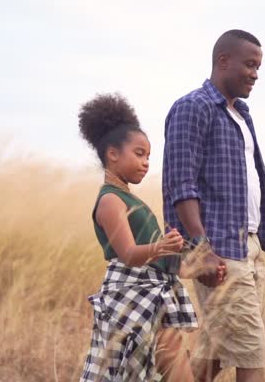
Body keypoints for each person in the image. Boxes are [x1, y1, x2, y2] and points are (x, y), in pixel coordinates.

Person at [162, 29, 265, 382]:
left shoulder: (241, 115)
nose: (255, 74)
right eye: (249, 64)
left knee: (217, 353)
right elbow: (181, 183)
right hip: (219, 250)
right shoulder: (193, 107)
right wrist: (201, 249)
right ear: (223, 61)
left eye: (258, 67)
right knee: (253, 351)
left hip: (247, 247)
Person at [78, 93, 207, 381]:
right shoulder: (111, 200)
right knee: (144, 370)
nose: (146, 162)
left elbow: (159, 264)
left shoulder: (127, 198)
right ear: (113, 154)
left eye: (148, 156)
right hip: (130, 294)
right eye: (139, 154)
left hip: (152, 293)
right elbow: (128, 254)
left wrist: (198, 267)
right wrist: (161, 246)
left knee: (164, 366)